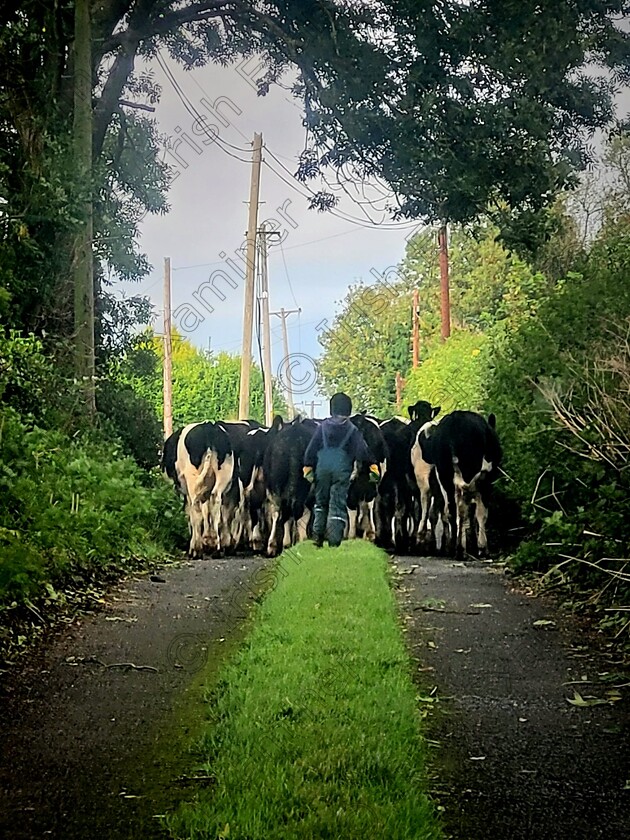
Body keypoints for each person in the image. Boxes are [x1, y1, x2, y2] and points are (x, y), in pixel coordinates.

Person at [302, 392, 380, 548]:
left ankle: (317, 537)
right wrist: (373, 466)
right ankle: (334, 540)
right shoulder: (352, 429)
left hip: (322, 469)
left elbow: (311, 449)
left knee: (321, 502)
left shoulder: (322, 427)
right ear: (349, 410)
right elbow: (362, 451)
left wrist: (307, 466)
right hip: (342, 469)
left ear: (331, 409)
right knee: (337, 503)